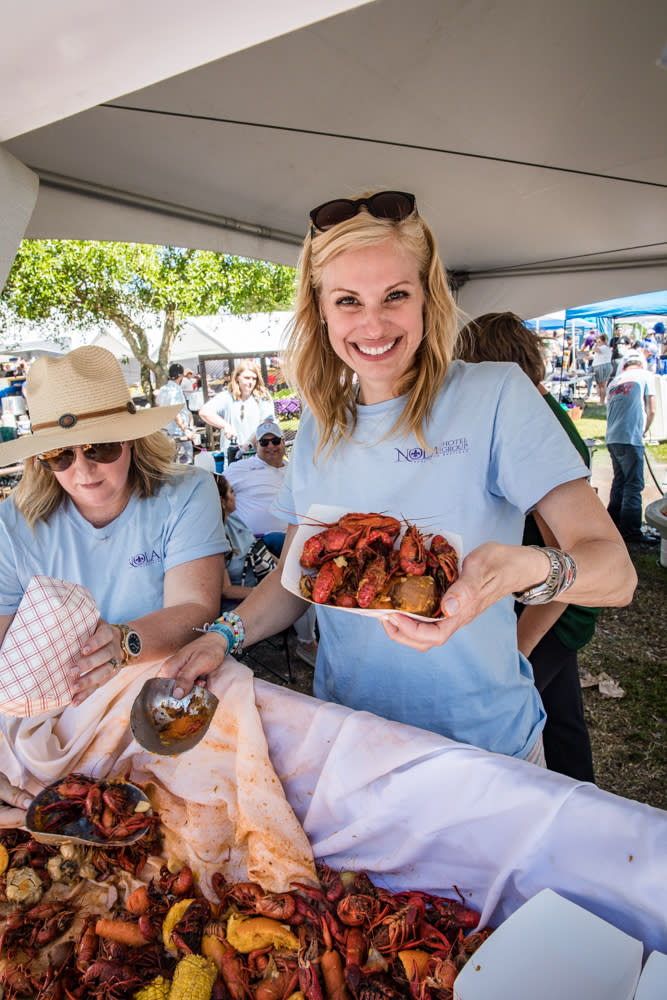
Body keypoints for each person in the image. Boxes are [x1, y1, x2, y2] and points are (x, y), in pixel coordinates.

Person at [162, 189, 635, 763]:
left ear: (427, 298)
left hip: (484, 748)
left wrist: (524, 568)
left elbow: (616, 574)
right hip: (349, 742)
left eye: (395, 295)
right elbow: (295, 578)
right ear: (320, 311)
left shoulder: (496, 395)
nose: (374, 324)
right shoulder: (318, 424)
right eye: (348, 301)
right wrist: (224, 637)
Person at [0, 345, 225, 826]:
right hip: (46, 720)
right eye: (60, 455)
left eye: (99, 447)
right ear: (40, 459)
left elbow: (195, 606)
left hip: (159, 699)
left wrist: (124, 642)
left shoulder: (186, 492)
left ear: (133, 439)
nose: (82, 472)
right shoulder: (10, 523)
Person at [455, 312, 598, 781]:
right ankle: (586, 803)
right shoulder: (544, 408)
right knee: (562, 719)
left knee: (530, 712)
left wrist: (520, 647)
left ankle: (568, 811)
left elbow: (565, 552)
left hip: (555, 606)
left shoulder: (537, 423)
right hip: (545, 601)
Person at [216, 474, 318, 666]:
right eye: (231, 491)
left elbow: (257, 548)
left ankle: (308, 638)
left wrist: (283, 568)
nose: (236, 495)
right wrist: (267, 593)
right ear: (221, 501)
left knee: (301, 580)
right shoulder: (215, 536)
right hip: (243, 594)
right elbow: (226, 590)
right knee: (301, 593)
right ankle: (307, 643)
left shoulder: (234, 519)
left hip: (262, 575)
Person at [605, 350, 657, 548]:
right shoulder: (645, 376)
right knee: (633, 485)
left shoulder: (615, 381)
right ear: (641, 365)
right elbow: (652, 409)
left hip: (613, 437)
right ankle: (631, 530)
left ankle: (612, 523)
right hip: (630, 437)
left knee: (619, 482)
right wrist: (644, 431)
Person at [224, 419, 289, 554]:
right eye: (264, 443)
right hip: (257, 544)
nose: (271, 446)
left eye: (275, 441)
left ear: (283, 442)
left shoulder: (294, 469)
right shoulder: (241, 468)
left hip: (291, 539)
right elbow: (216, 490)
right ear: (256, 446)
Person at [199, 360, 275, 456]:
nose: (250, 382)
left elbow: (266, 424)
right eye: (246, 378)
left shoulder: (262, 397)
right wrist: (225, 425)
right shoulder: (227, 397)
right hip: (232, 456)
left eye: (254, 378)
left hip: (258, 456)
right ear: (237, 378)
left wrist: (248, 444)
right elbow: (204, 412)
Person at [156, 362, 197, 463]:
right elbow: (175, 413)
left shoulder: (162, 390)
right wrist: (185, 429)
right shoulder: (176, 391)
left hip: (166, 434)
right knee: (185, 468)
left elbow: (158, 406)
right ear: (181, 376)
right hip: (178, 436)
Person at [592, 333, 614, 403]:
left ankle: (602, 401)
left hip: (602, 366)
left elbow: (594, 349)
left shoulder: (604, 348)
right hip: (599, 366)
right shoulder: (602, 348)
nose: (598, 343)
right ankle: (601, 400)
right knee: (600, 385)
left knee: (602, 385)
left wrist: (595, 343)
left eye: (599, 341)